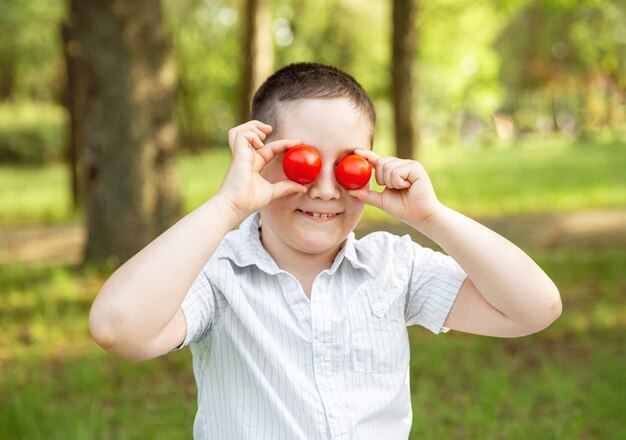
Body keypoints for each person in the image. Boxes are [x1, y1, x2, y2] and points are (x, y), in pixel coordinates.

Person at [89, 62, 562, 439]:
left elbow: (534, 308)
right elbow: (118, 328)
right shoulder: (219, 275)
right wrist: (226, 205)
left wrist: (430, 217)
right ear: (261, 161)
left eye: (350, 165)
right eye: (302, 163)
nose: (325, 189)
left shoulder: (394, 267)